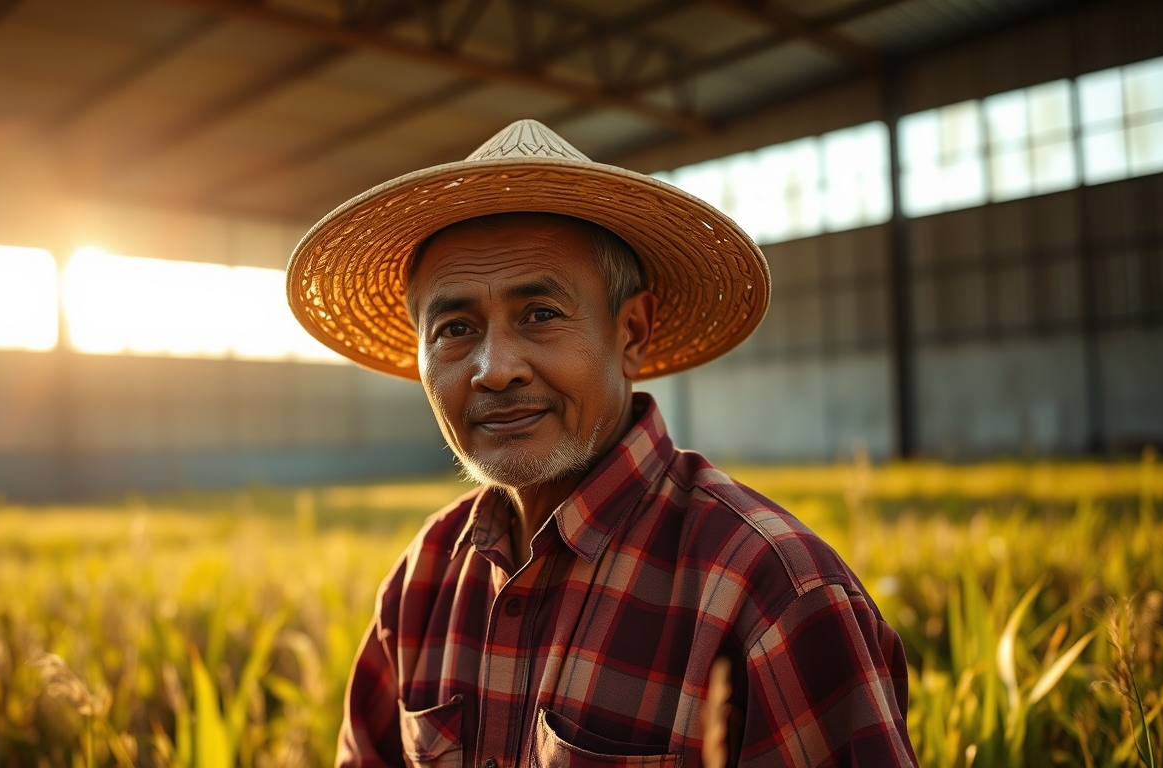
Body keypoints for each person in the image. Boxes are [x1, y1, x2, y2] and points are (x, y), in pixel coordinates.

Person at [285, 119, 916, 768]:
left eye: (540, 315)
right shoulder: (423, 580)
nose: (495, 368)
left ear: (633, 333)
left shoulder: (772, 591)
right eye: (455, 327)